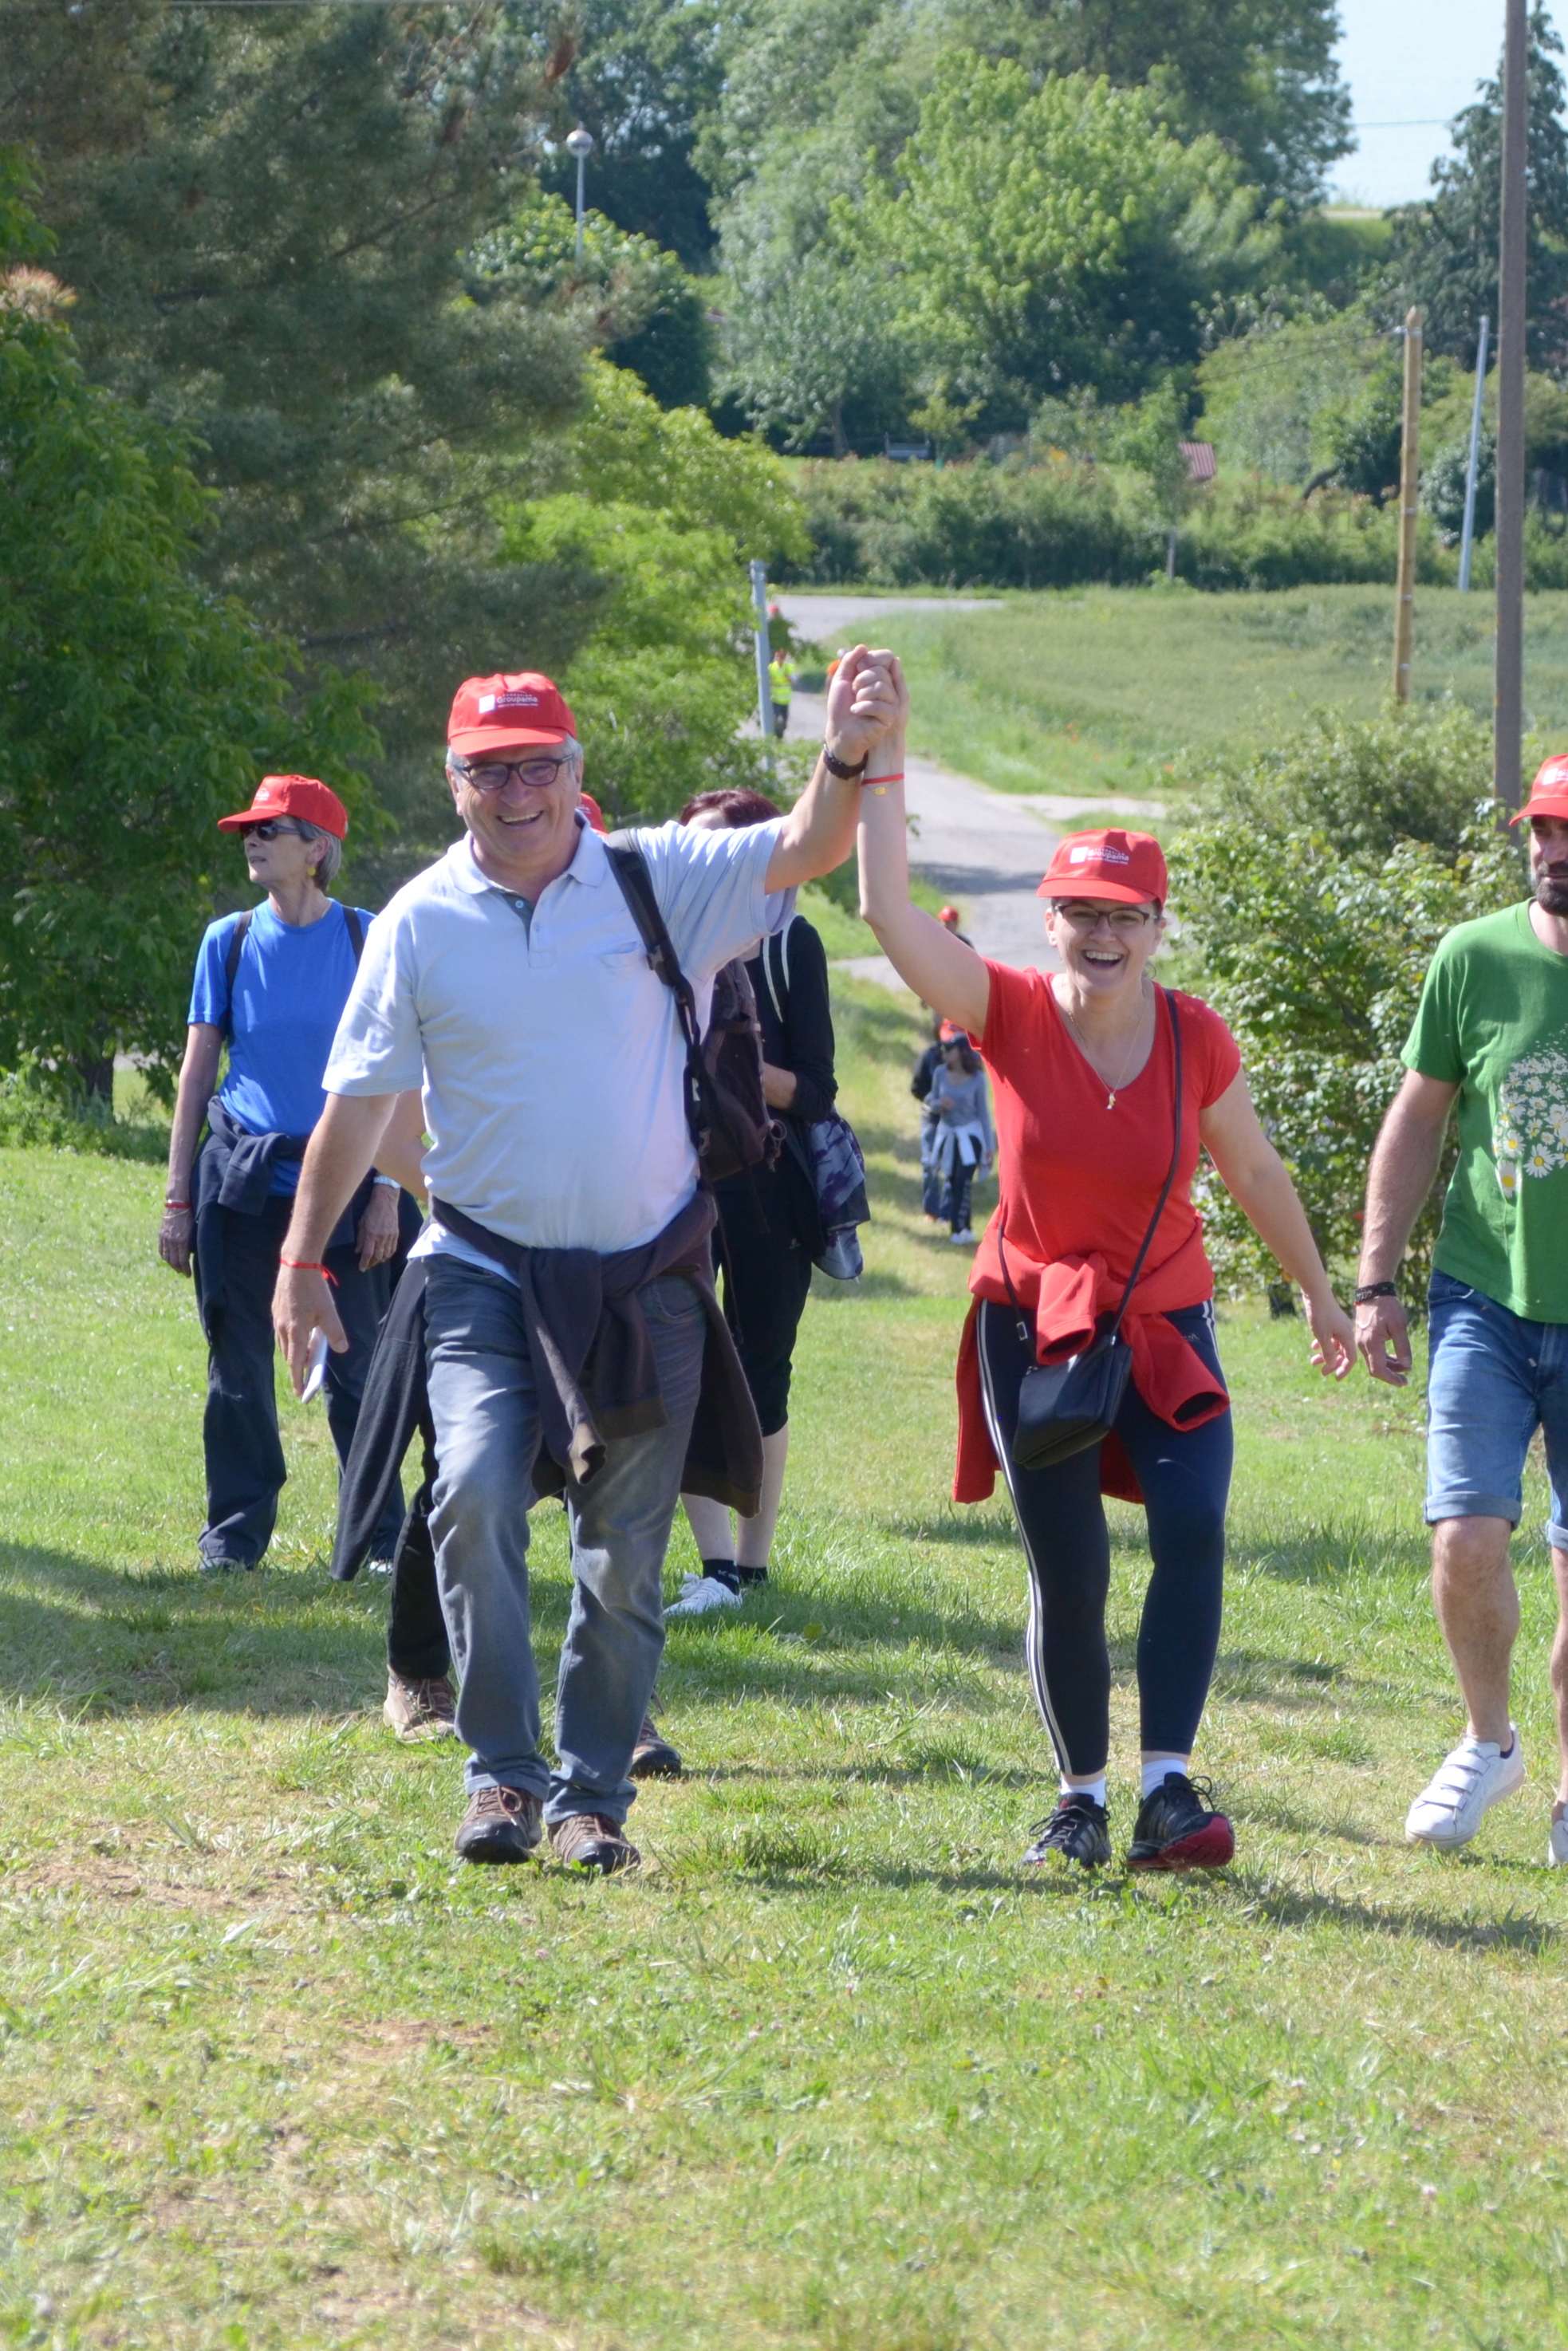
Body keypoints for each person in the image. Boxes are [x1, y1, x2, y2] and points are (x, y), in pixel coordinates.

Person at [272, 656, 904, 1876]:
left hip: (642, 1276)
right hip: (481, 1271)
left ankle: (591, 1799)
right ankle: (502, 1776)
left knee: (622, 1548)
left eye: (539, 767)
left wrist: (845, 751)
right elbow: (356, 1104)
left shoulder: (655, 876)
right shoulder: (417, 921)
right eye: (490, 771)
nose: (518, 793)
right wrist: (302, 1257)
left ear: (576, 771)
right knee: (470, 1493)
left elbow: (810, 846)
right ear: (452, 782)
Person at [858, 784, 1357, 1873]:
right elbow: (886, 913)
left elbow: (1252, 1167)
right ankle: (1078, 1798)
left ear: (1156, 927)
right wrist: (876, 766)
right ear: (1049, 922)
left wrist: (1320, 1293)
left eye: (1125, 915)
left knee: (1193, 1525)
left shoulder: (1193, 1036)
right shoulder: (1007, 1012)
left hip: (1166, 1321)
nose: (1102, 933)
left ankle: (1164, 1790)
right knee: (1072, 1568)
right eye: (1081, 911)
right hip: (1033, 1325)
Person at [1357, 754, 1568, 1863]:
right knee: (1465, 1536)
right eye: (1542, 830)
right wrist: (1374, 1281)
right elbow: (1417, 1118)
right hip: (1484, 1295)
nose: (1553, 852)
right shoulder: (1473, 957)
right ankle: (1489, 1742)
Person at [158, 774, 418, 1577]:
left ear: (317, 848)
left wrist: (387, 1191)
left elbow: (401, 1071)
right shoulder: (228, 940)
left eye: (270, 828)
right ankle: (233, 1540)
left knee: (358, 1367)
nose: (253, 839)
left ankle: (378, 1537)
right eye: (249, 829)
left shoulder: (368, 938)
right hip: (240, 1181)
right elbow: (196, 1075)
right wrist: (176, 1196)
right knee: (237, 1366)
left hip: (344, 1182)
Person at [669, 788, 840, 1617]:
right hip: (674, 1176)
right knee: (679, 1359)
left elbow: (817, 1089)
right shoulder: (657, 940)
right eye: (687, 845)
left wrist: (729, 1062)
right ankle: (716, 1569)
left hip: (769, 1184)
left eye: (713, 846)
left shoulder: (790, 943)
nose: (695, 862)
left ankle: (753, 1563)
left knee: (762, 1365)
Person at [926, 1026, 993, 1245]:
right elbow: (931, 1102)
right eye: (945, 1049)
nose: (946, 1053)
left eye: (950, 1049)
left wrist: (989, 1146)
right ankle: (965, 1226)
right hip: (948, 1136)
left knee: (963, 1179)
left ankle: (957, 1228)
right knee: (953, 1180)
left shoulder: (977, 1078)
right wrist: (940, 1104)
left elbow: (983, 1114)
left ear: (962, 1052)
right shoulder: (940, 1073)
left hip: (970, 1137)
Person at [910, 1014, 948, 1221]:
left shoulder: (969, 1059)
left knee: (955, 1166)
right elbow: (916, 1088)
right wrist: (934, 1100)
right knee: (930, 1163)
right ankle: (932, 1211)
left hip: (959, 1118)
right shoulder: (930, 1056)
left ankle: (951, 1211)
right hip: (931, 1117)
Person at [769, 650, 795, 741]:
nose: (779, 659)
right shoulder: (771, 667)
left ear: (784, 658)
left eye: (781, 657)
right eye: (777, 657)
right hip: (775, 698)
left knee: (784, 722)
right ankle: (775, 735)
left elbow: (794, 682)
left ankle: (780, 736)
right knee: (776, 718)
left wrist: (788, 678)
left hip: (785, 700)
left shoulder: (789, 668)